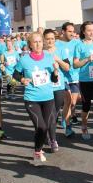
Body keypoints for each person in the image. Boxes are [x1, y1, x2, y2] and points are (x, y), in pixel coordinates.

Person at [13, 32, 59, 160]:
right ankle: (38, 151)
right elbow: (15, 75)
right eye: (35, 42)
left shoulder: (49, 57)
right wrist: (22, 80)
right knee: (41, 127)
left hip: (48, 98)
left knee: (45, 127)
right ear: (30, 45)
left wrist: (55, 70)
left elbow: (54, 80)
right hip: (32, 98)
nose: (38, 44)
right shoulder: (24, 60)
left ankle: (38, 150)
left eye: (40, 41)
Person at [44, 29, 70, 152]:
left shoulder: (61, 50)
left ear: (55, 39)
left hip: (59, 86)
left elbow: (67, 67)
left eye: (52, 38)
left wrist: (58, 60)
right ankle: (53, 139)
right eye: (48, 38)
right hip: (46, 87)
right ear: (44, 39)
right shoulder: (41, 52)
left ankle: (49, 133)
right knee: (51, 114)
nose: (50, 41)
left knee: (55, 113)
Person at [58, 22, 81, 137]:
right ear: (63, 31)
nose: (72, 33)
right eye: (69, 31)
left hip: (75, 76)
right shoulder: (57, 44)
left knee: (73, 103)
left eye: (73, 31)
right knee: (67, 101)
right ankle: (68, 127)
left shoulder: (77, 43)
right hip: (62, 77)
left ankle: (65, 117)